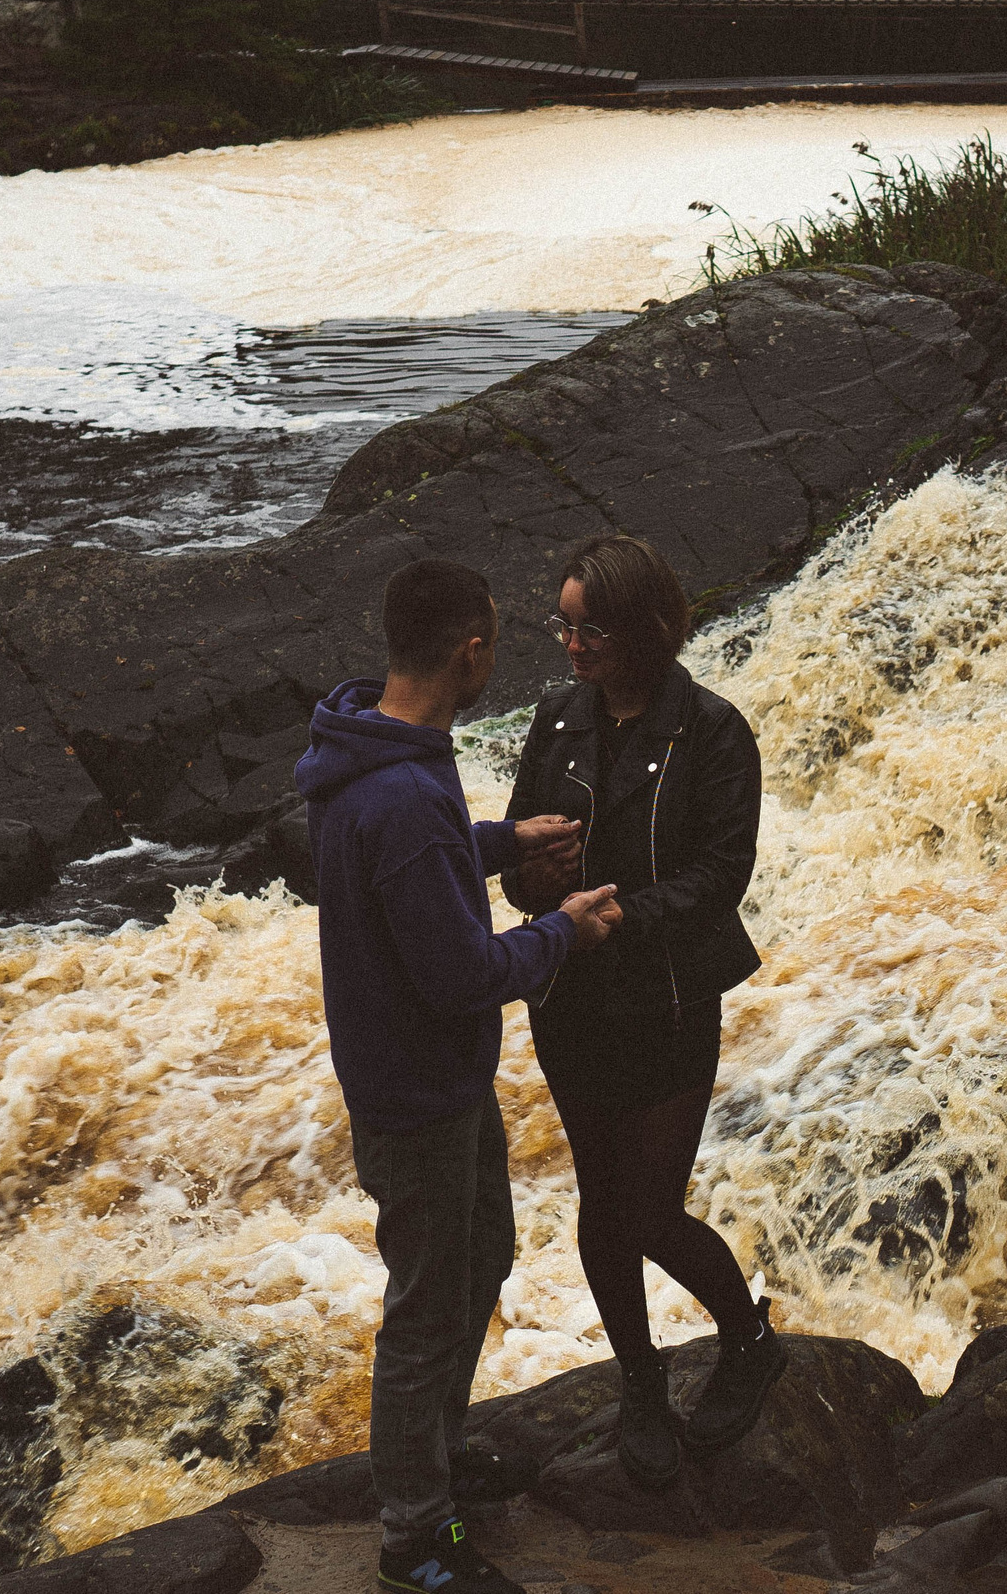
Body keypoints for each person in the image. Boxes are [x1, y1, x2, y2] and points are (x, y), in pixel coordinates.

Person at [295, 556, 620, 1594]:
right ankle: (413, 1539)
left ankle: (425, 1467)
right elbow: (461, 976)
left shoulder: (377, 744)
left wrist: (495, 841)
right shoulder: (396, 793)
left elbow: (415, 865)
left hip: (422, 1076)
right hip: (419, 1085)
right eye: (494, 643)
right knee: (430, 1306)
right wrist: (561, 931)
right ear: (468, 650)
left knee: (481, 1256)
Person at [500, 534, 785, 1492]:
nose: (572, 646)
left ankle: (748, 1338)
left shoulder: (712, 730)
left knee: (648, 1207)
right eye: (564, 625)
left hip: (665, 998)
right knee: (600, 1204)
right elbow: (519, 847)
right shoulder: (556, 717)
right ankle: (642, 1380)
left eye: (591, 629)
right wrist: (529, 875)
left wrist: (621, 914)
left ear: (646, 627)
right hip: (571, 998)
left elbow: (723, 871)